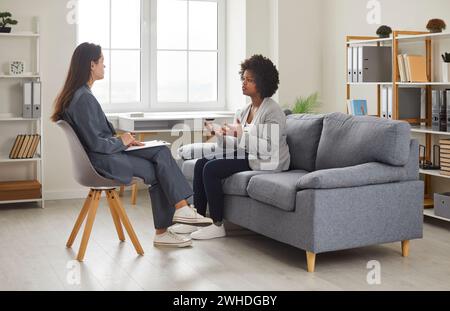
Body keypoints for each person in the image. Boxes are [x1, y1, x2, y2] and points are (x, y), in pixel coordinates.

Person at [51, 42, 212, 248]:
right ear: (92, 65)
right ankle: (176, 216)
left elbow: (95, 137)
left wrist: (126, 141)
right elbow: (95, 143)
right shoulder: (83, 98)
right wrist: (122, 140)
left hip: (106, 156)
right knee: (160, 161)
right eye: (102, 62)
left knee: (160, 153)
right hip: (103, 162)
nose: (104, 67)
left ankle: (178, 214)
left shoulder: (79, 95)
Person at [170, 54, 291, 240]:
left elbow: (268, 148)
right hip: (248, 155)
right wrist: (220, 134)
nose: (244, 83)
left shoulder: (273, 111)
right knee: (202, 163)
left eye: (250, 80)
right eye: (243, 78)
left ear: (263, 82)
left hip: (268, 162)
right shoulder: (244, 111)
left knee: (211, 168)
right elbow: (235, 144)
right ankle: (198, 220)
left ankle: (217, 224)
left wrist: (240, 133)